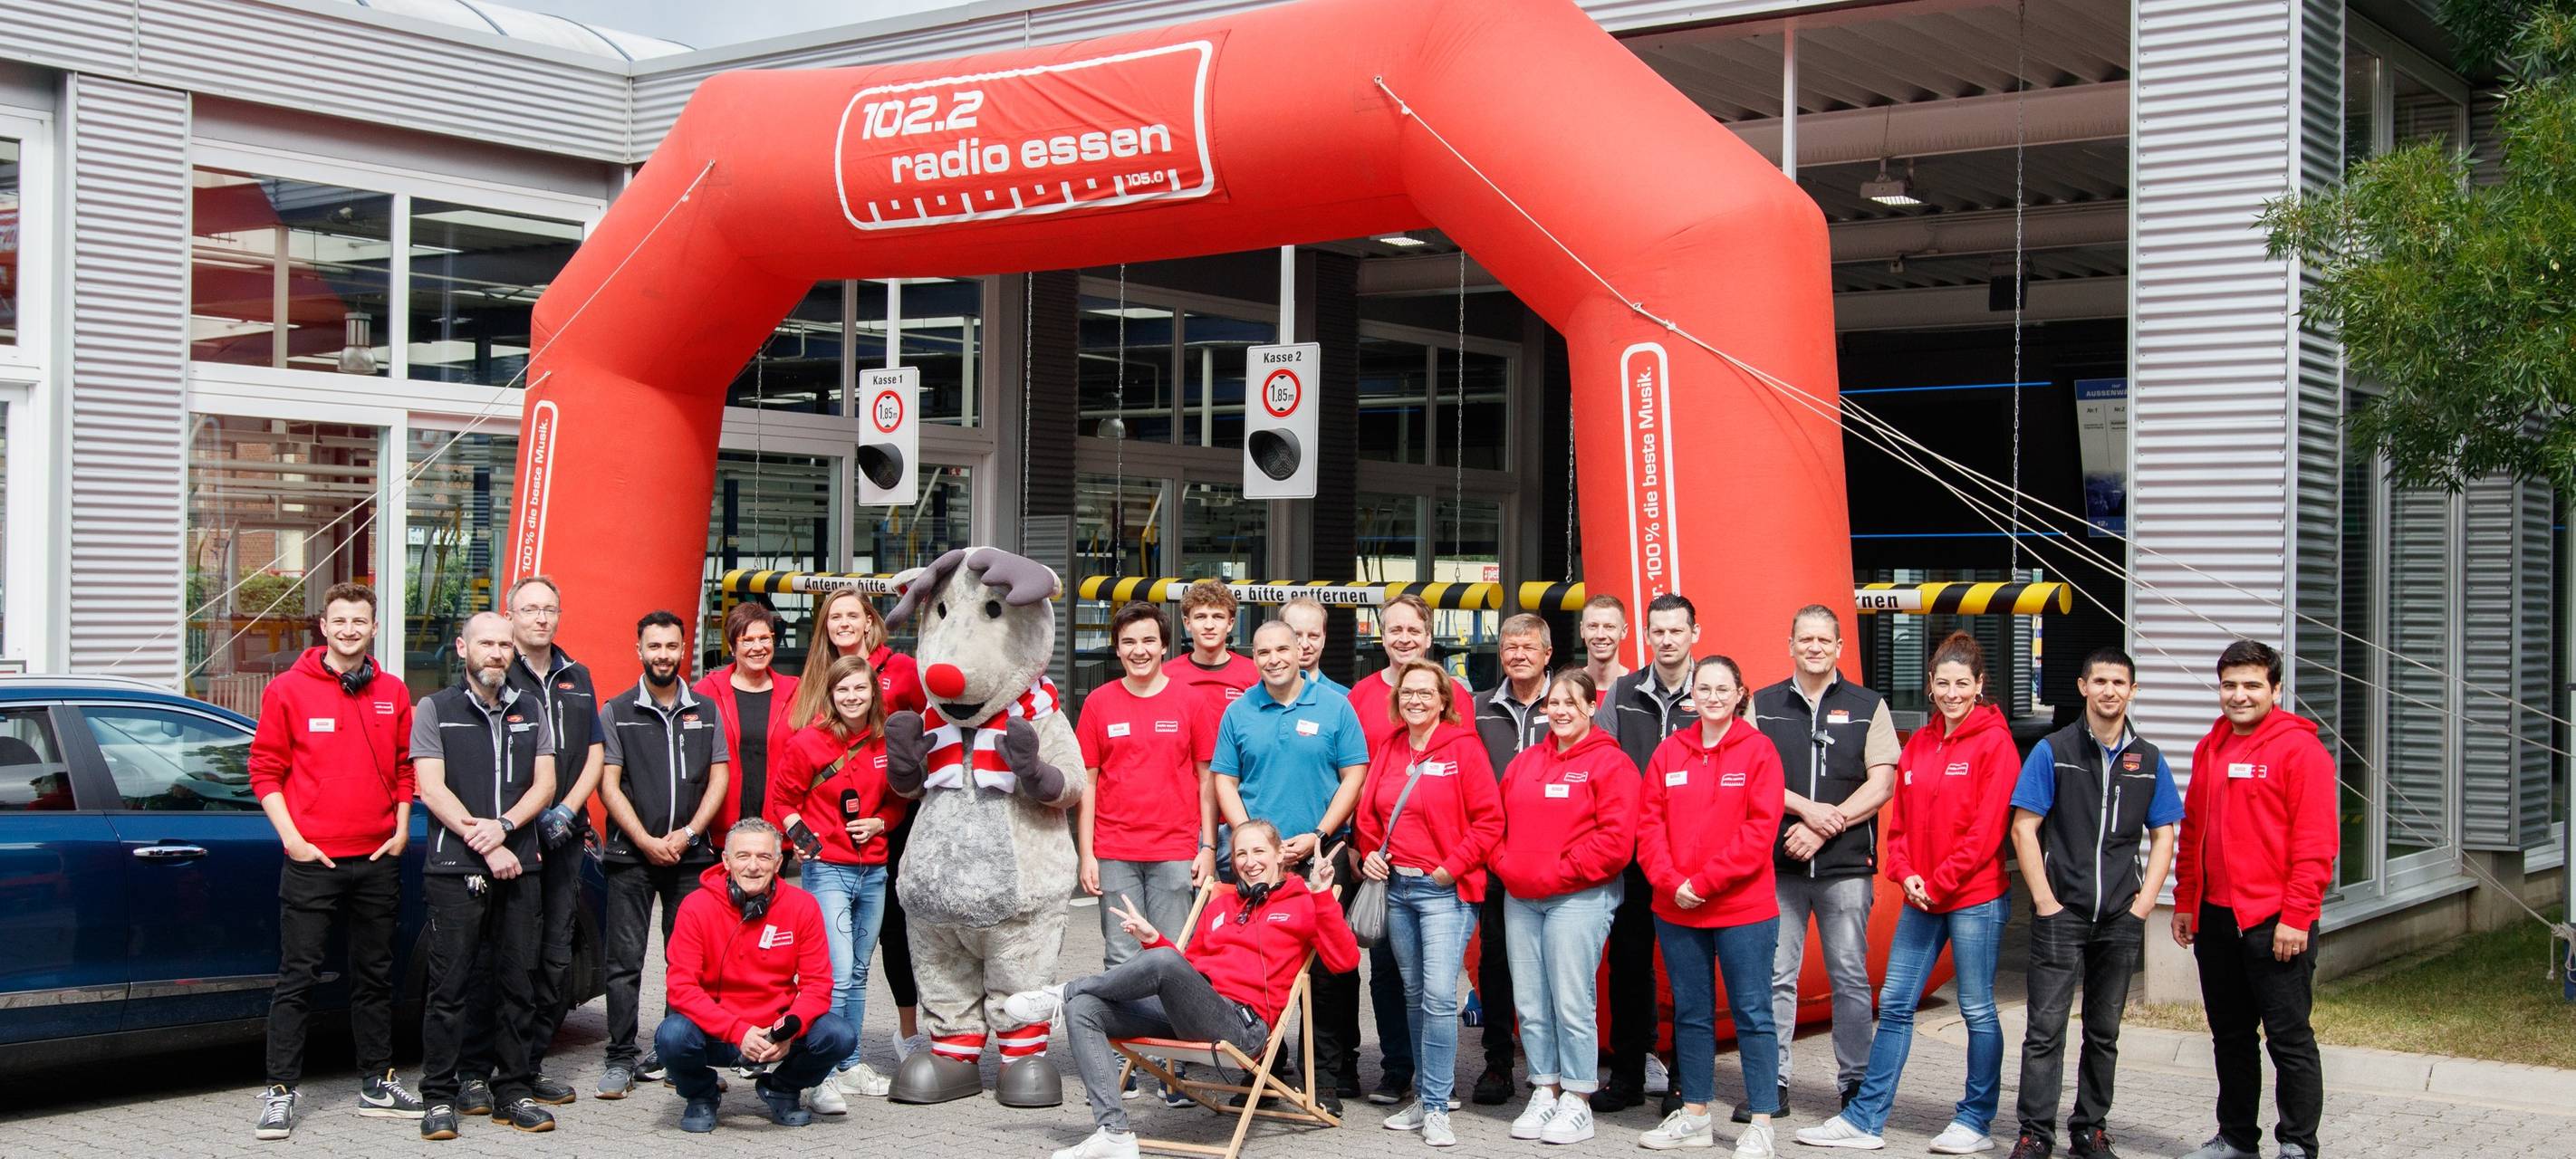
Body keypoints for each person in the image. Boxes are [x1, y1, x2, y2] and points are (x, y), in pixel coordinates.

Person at [1003, 819, 1361, 1159]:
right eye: (1240, 854)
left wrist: (1321, 897)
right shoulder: (1221, 904)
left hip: (1241, 1026)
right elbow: (1186, 971)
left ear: (1279, 855)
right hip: (1192, 1012)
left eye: (1258, 852)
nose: (1249, 862)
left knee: (1154, 966)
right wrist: (1153, 939)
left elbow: (1345, 961)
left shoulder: (1304, 902)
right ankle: (1112, 1133)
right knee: (1084, 1008)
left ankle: (1061, 992)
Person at [1796, 632, 2019, 1154]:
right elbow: (1898, 829)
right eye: (1943, 683)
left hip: (1974, 898)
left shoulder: (1995, 743)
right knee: (1894, 1003)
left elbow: (1987, 834)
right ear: (1931, 686)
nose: (1952, 693)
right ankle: (1865, 1119)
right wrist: (1906, 872)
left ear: (1980, 685)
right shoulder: (1918, 744)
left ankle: (1975, 1122)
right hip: (1923, 897)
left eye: (1963, 683)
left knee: (1977, 1009)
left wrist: (1937, 881)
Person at [248, 581, 424, 1141]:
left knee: (374, 978)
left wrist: (399, 830)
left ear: (374, 628)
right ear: (324, 627)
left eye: (360, 621)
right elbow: (264, 770)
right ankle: (280, 1091)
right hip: (312, 862)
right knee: (296, 979)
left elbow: (406, 766)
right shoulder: (286, 690)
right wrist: (293, 841)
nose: (349, 630)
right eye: (340, 620)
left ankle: (377, 1081)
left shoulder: (393, 692)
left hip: (376, 859)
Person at [2005, 647, 2182, 1159]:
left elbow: (2165, 833)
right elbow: (2024, 827)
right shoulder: (2053, 750)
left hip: (2121, 919)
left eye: (2119, 683)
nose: (2109, 691)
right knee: (2045, 1030)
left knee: (2103, 1032)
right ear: (2083, 687)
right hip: (2063, 913)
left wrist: (2145, 904)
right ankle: (2035, 1132)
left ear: (2132, 691)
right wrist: (2044, 901)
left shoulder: (2147, 759)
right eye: (2099, 681)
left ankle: (2090, 1128)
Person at [2171, 640, 2336, 1159]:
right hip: (2216, 921)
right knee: (2231, 1038)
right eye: (2229, 685)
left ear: (2275, 689)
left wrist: (2297, 916)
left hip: (2274, 923)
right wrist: (2186, 900)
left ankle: (2298, 1144)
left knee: (2289, 1041)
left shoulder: (2300, 750)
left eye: (2251, 685)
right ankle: (2238, 1138)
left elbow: (2315, 844)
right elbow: (2194, 828)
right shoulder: (2209, 747)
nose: (2238, 696)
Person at [1211, 618, 1370, 1113]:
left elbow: (1354, 774)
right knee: (1254, 967)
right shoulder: (1239, 712)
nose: (1274, 658)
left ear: (1301, 649)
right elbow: (1224, 781)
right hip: (1259, 864)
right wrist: (1251, 844)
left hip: (1318, 859)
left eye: (1283, 648)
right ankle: (1263, 1071)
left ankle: (1321, 1078)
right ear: (1253, 656)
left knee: (1325, 974)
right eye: (1263, 652)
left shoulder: (1335, 707)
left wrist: (1320, 833)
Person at [1747, 605, 1898, 1122]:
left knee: (1851, 977)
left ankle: (1854, 1083)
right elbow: (1753, 776)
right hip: (1780, 866)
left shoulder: (1868, 705)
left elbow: (1881, 784)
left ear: (1839, 648)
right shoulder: (1762, 705)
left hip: (1845, 867)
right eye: (1804, 639)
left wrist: (1821, 826)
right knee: (1776, 976)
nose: (1814, 648)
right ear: (1790, 645)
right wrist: (1806, 809)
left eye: (1823, 640)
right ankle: (1774, 1079)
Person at [413, 611, 560, 1140]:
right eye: (486, 644)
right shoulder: (435, 709)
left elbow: (545, 786)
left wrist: (504, 828)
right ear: (462, 648)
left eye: (504, 645)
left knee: (518, 982)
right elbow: (431, 787)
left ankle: (513, 1089)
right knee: (450, 986)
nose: (496, 653)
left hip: (520, 861)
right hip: (455, 867)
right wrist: (484, 841)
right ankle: (439, 1095)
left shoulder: (531, 709)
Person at [1636, 656, 1784, 1156]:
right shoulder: (1668, 752)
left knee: (1752, 1013)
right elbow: (1648, 826)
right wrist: (1670, 880)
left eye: (1724, 689)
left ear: (1741, 693)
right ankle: (1695, 1113)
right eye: (1705, 689)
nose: (1714, 697)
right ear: (1692, 696)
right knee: (1691, 1014)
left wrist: (1703, 881)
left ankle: (1762, 1120)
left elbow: (1760, 831)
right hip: (1677, 907)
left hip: (1743, 909)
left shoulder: (1760, 751)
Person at [1357, 658, 1504, 1148]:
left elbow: (1489, 821)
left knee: (1441, 997)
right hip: (1396, 889)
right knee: (1416, 995)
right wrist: (1373, 855)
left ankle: (1439, 1106)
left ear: (1444, 700)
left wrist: (1452, 866)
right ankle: (1423, 1096)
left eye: (1425, 692)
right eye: (1407, 693)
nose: (1415, 700)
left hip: (1444, 892)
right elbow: (1369, 811)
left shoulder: (1464, 749)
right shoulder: (1391, 747)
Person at [1495, 668, 1636, 1147]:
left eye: (1571, 703)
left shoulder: (1610, 765)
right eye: (1553, 703)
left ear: (1592, 707)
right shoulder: (1525, 762)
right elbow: (1497, 823)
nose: (1559, 711)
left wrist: (1558, 872)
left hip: (1578, 897)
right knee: (1531, 1004)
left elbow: (1616, 842)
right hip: (1523, 898)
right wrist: (1508, 867)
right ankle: (1545, 1086)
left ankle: (1578, 1096)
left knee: (1572, 1001)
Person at [596, 609, 733, 1099]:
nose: (662, 655)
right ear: (640, 650)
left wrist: (690, 833)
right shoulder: (614, 710)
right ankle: (619, 1056)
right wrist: (647, 841)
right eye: (654, 647)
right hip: (631, 857)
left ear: (683, 650)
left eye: (671, 647)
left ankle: (675, 1052)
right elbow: (607, 785)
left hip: (692, 858)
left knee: (687, 962)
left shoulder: (707, 711)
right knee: (624, 962)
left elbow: (720, 775)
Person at [793, 586, 930, 1061]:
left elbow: (931, 728)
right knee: (835, 951)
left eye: (853, 615)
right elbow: (794, 765)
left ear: (870, 621)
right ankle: (826, 1045)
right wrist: (796, 829)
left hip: (892, 814)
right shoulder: (814, 678)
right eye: (835, 618)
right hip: (830, 832)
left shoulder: (903, 671)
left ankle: (908, 1034)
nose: (844, 624)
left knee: (895, 928)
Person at [769, 654, 909, 1110]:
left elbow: (897, 805)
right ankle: (821, 1071)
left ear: (874, 693)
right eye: (843, 690)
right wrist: (804, 837)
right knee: (838, 973)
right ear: (831, 695)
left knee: (860, 973)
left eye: (860, 689)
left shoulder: (884, 741)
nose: (852, 697)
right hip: (828, 869)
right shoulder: (809, 742)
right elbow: (781, 800)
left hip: (874, 871)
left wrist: (879, 824)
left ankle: (849, 1063)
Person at [1346, 593, 1471, 1104]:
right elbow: (1355, 776)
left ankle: (1432, 1078)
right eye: (1394, 630)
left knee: (1432, 982)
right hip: (1378, 856)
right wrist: (1358, 843)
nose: (1404, 639)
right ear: (1381, 635)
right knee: (1386, 971)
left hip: (1434, 862)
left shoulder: (1452, 692)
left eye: (1413, 631)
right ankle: (1398, 1066)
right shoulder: (1359, 695)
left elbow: (1467, 779)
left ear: (1428, 634)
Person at [655, 819, 856, 1133]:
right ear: (726, 860)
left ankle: (782, 1088)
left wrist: (788, 1029)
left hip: (777, 1032)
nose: (753, 866)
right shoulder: (695, 906)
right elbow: (681, 988)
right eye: (743, 856)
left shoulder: (803, 906)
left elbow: (818, 985)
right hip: (717, 1030)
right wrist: (737, 1031)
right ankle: (700, 1094)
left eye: (763, 857)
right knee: (671, 1036)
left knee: (839, 1035)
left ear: (778, 862)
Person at [492, 575, 602, 1110]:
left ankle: (530, 1066)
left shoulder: (577, 676)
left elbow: (595, 754)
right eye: (530, 609)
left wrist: (569, 808)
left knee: (557, 957)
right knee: (512, 955)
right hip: (510, 841)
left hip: (565, 838)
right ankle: (493, 1067)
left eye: (549, 609)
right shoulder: (494, 673)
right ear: (509, 615)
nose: (541, 618)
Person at [1598, 591, 1703, 1110]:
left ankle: (1686, 1080)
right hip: (1636, 857)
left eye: (1675, 631)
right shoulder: (1621, 692)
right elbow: (1602, 765)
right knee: (1629, 965)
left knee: (1688, 970)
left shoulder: (1714, 689)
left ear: (1693, 635)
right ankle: (1628, 1077)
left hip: (1692, 859)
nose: (1666, 640)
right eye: (1657, 631)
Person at [1079, 601, 1219, 963]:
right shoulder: (1098, 703)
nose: (1139, 650)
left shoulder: (1191, 701)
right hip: (1114, 851)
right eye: (1128, 642)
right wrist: (1086, 855)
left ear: (1164, 646)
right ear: (1117, 648)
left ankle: (1168, 1023)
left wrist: (1207, 847)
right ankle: (1125, 1022)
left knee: (1172, 954)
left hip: (1175, 850)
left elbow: (1207, 780)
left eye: (1148, 641)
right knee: (1120, 955)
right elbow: (1087, 784)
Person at [1467, 613, 1555, 1105]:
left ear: (1548, 654)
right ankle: (1498, 1063)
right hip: (1494, 862)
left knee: (1554, 965)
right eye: (1509, 648)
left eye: (1528, 647)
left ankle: (1556, 1069)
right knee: (1496, 964)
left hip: (1554, 863)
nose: (1518, 655)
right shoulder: (1478, 708)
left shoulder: (1565, 705)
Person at [695, 601, 800, 835]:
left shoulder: (796, 693)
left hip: (777, 827)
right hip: (721, 828)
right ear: (732, 647)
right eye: (747, 640)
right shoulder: (707, 691)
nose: (758, 647)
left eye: (765, 638)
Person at [1166, 578, 1259, 721]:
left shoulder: (1254, 674)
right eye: (1201, 617)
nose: (1209, 625)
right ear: (1187, 623)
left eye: (1218, 617)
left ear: (1230, 623)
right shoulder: (1166, 675)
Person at [1281, 596, 1346, 694]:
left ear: (1324, 639)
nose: (1305, 644)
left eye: (1313, 636)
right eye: (1296, 635)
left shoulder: (1345, 698)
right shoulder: (1256, 697)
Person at [1578, 595, 1631, 702]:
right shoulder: (1568, 687)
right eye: (1593, 626)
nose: (1600, 635)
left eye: (1609, 627)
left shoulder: (1639, 688)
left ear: (1624, 631)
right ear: (1582, 630)